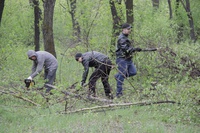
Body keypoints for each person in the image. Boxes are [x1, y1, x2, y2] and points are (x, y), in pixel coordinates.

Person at [115, 23, 142, 98]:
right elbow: (125, 49)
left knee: (133, 72)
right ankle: (118, 94)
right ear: (123, 29)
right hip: (121, 59)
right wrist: (135, 49)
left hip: (128, 59)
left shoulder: (126, 37)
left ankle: (117, 76)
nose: (129, 30)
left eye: (130, 29)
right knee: (122, 75)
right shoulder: (121, 38)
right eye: (128, 29)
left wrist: (134, 49)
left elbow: (128, 49)